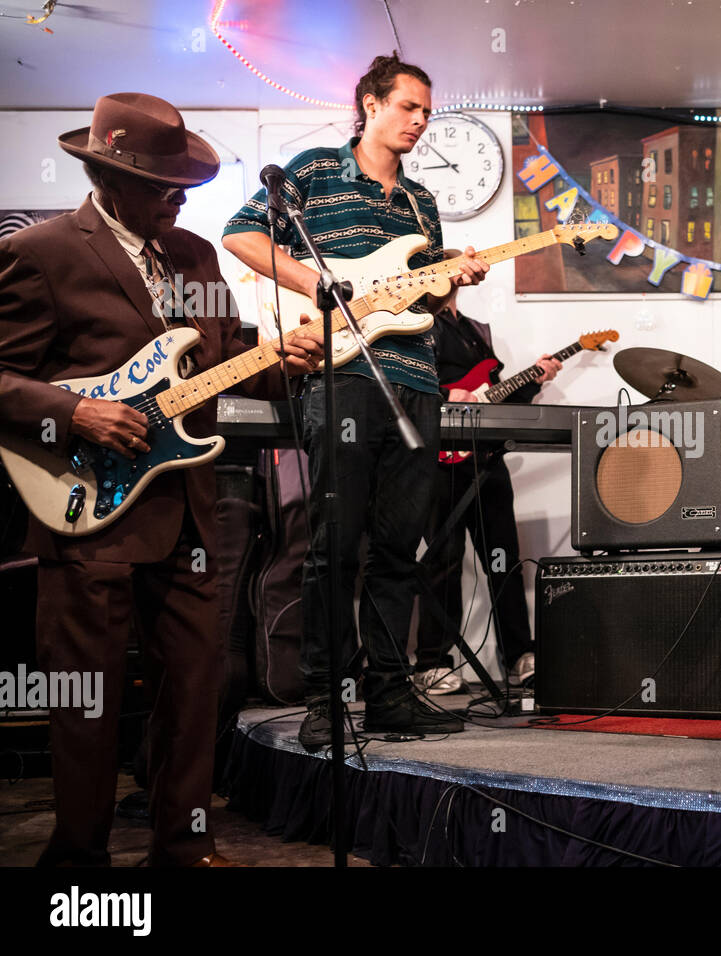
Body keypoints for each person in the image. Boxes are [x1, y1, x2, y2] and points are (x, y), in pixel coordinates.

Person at [0, 92, 323, 866]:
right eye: (160, 186)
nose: (178, 199)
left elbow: (226, 368)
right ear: (106, 175)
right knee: (90, 700)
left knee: (195, 688)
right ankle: (76, 859)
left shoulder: (196, 256)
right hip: (88, 506)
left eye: (183, 186)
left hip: (187, 512)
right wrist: (77, 412)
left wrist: (289, 362)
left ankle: (185, 844)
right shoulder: (45, 251)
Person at [222, 53, 488, 749]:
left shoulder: (421, 202)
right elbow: (241, 234)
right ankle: (326, 700)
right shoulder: (311, 170)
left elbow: (429, 298)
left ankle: (392, 695)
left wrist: (459, 277)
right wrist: (315, 285)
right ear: (370, 103)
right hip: (341, 379)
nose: (420, 122)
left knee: (401, 547)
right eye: (409, 107)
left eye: (428, 112)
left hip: (416, 380)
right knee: (333, 547)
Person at [414, 267, 561, 694]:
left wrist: (533, 379)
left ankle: (519, 657)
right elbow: (402, 384)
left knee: (505, 562)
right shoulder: (415, 324)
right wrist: (444, 396)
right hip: (439, 461)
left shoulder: (476, 331)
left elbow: (492, 392)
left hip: (486, 458)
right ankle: (432, 662)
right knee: (441, 562)